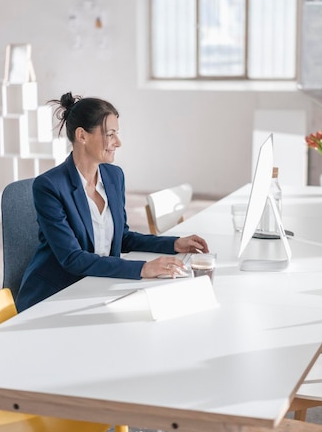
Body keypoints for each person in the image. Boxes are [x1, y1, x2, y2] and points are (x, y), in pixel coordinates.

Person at [16, 92, 209, 314]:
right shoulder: (49, 186)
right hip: (55, 296)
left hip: (98, 286)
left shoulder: (113, 176)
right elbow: (72, 259)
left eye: (117, 133)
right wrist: (143, 268)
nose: (118, 142)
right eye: (110, 134)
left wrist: (173, 244)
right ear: (82, 136)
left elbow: (122, 237)